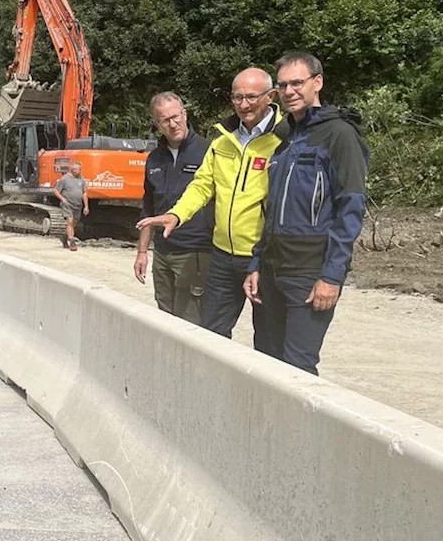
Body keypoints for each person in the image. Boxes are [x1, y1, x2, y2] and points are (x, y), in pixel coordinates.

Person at [137, 69, 287, 343]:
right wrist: (176, 215)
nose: (244, 104)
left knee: (269, 339)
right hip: (222, 256)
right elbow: (202, 186)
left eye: (251, 97)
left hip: (263, 257)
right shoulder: (222, 142)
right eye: (238, 97)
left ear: (271, 96)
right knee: (210, 338)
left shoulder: (284, 141)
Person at [243, 53, 369, 376]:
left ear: (318, 83)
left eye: (297, 83)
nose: (289, 91)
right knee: (267, 361)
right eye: (283, 84)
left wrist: (331, 276)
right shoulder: (284, 138)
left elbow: (351, 209)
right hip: (271, 271)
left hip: (309, 273)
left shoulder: (339, 135)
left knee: (297, 368)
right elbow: (271, 211)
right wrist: (257, 263)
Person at [134, 92, 215, 324]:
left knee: (190, 322)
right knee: (165, 320)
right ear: (157, 124)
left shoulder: (209, 151)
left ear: (185, 114)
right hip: (162, 253)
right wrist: (142, 252)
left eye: (175, 116)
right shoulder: (154, 159)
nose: (173, 124)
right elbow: (148, 209)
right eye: (164, 120)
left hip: (195, 251)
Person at [53, 161, 89, 251]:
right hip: (67, 204)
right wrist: (63, 199)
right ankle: (72, 242)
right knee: (70, 221)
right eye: (77, 170)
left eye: (80, 169)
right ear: (72, 170)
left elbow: (84, 193)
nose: (79, 171)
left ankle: (64, 238)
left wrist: (86, 206)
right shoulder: (64, 179)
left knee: (74, 224)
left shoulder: (81, 179)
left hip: (78, 205)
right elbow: (56, 190)